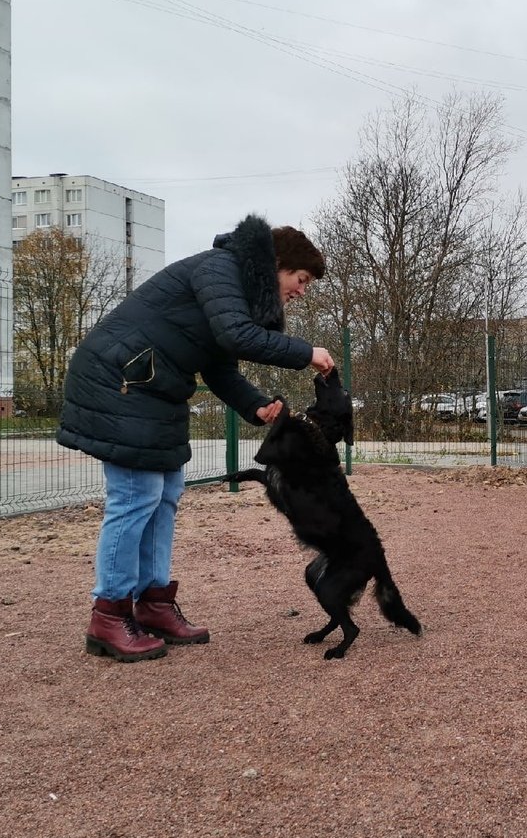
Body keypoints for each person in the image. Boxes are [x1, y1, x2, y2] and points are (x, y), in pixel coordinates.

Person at [57, 214, 335, 662]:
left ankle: (152, 605)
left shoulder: (235, 287)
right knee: (134, 496)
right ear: (277, 264)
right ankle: (108, 615)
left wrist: (255, 404)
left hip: (153, 386)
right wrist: (306, 353)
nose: (301, 290)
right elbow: (237, 336)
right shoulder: (219, 268)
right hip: (120, 380)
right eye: (300, 279)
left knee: (165, 493)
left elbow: (219, 362)